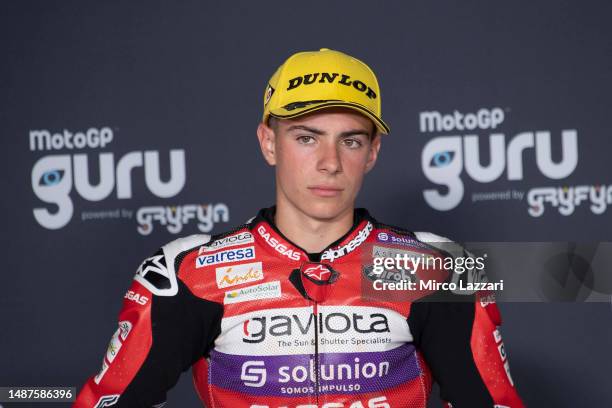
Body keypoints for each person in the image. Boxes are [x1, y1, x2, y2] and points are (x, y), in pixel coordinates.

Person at [74, 48, 524, 408]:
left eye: (350, 140)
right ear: (269, 143)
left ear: (372, 152)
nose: (330, 163)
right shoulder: (189, 272)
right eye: (306, 138)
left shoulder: (433, 267)